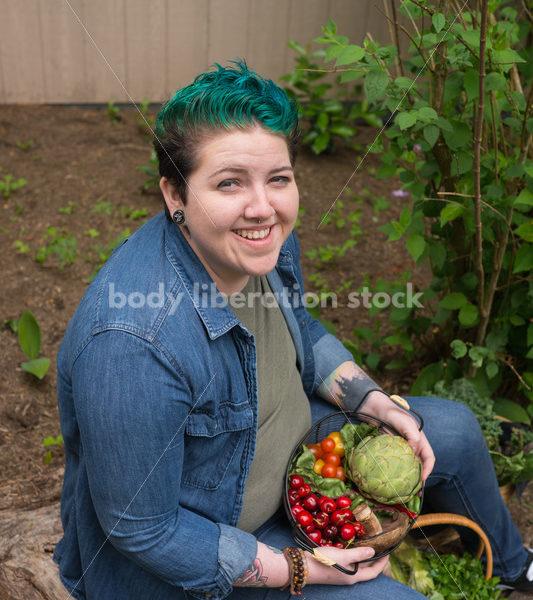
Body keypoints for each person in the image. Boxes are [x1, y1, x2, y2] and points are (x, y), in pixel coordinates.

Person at [53, 60, 532, 599]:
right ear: (175, 195)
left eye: (278, 179)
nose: (264, 208)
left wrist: (375, 402)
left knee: (457, 430)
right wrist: (302, 568)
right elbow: (142, 530)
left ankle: (514, 570)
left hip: (300, 458)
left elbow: (298, 326)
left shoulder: (263, 245)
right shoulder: (134, 344)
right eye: (229, 183)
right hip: (219, 541)